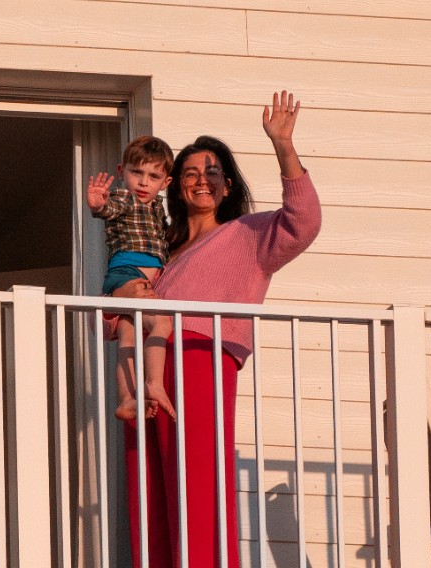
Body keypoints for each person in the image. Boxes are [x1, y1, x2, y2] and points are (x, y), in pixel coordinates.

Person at [115, 91, 320, 568]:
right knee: (148, 493)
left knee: (197, 489)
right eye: (190, 173)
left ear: (227, 185)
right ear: (175, 187)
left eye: (212, 173)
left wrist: (284, 147)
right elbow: (115, 306)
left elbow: (304, 222)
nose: (201, 181)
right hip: (144, 367)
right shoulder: (157, 248)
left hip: (202, 361)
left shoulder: (248, 235)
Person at [85, 135, 178, 423]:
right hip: (127, 275)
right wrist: (97, 205)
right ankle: (154, 382)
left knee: (129, 336)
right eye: (136, 172)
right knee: (161, 322)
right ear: (120, 171)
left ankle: (127, 399)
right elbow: (108, 210)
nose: (142, 182)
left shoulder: (156, 207)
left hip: (135, 279)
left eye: (153, 176)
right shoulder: (124, 198)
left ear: (165, 182)